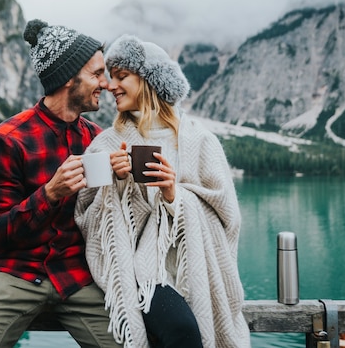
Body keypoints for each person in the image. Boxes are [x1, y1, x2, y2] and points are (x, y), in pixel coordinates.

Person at [0, 19, 121, 348]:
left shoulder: (97, 139)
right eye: (97, 73)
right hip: (14, 273)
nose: (106, 83)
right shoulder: (6, 140)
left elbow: (106, 219)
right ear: (69, 78)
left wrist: (124, 180)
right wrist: (50, 194)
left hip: (78, 275)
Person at [75, 35, 251, 348]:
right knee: (182, 329)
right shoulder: (106, 144)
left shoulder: (200, 140)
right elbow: (85, 218)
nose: (110, 86)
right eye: (109, 77)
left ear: (150, 81)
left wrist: (174, 196)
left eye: (122, 77)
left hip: (197, 268)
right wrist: (117, 185)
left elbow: (228, 217)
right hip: (142, 273)